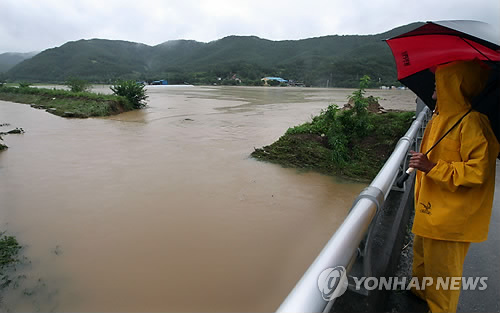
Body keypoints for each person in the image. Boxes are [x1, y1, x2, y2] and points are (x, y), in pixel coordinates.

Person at [408, 60, 499, 313]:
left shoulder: (473, 123)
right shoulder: (440, 116)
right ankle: (419, 294)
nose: (433, 89)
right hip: (430, 208)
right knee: (423, 258)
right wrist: (425, 162)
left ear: (454, 86)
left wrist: (431, 167)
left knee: (443, 276)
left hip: (450, 218)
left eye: (439, 84)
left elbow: (477, 171)